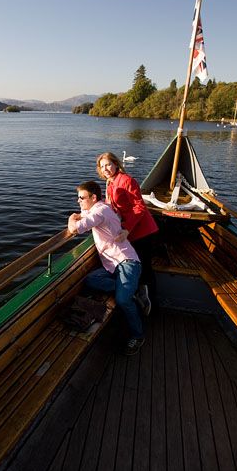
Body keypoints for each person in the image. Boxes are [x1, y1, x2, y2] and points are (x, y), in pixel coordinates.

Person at [67, 180, 144, 355]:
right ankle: (134, 290)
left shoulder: (100, 211)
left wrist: (71, 218)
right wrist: (82, 212)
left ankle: (138, 335)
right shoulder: (99, 207)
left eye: (81, 198)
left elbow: (75, 229)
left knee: (123, 300)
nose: (78, 201)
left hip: (127, 262)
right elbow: (85, 213)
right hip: (112, 266)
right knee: (91, 280)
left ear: (93, 197)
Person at [96, 152, 158, 313]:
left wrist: (126, 229)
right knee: (137, 264)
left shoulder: (126, 180)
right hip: (129, 230)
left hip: (142, 229)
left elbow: (139, 207)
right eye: (102, 167)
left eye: (108, 164)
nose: (105, 169)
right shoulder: (110, 183)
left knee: (144, 266)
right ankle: (136, 295)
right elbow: (110, 206)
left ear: (116, 164)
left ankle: (150, 301)